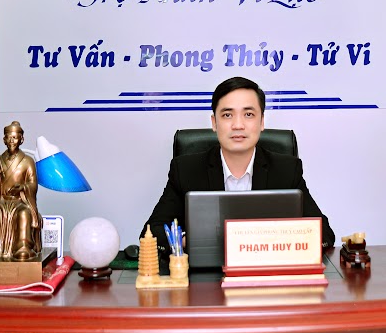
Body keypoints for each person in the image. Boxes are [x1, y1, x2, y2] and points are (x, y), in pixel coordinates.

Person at [142, 77, 335, 263]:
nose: (238, 125)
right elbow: (151, 233)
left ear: (262, 122)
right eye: (227, 115)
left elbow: (324, 234)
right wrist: (190, 242)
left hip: (268, 275)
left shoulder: (286, 170)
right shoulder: (186, 170)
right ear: (214, 123)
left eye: (248, 114)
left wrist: (273, 242)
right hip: (207, 280)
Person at [0, 121, 43, 261]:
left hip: (20, 201)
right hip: (0, 201)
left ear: (21, 140)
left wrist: (23, 187)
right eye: (9, 137)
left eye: (15, 137)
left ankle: (23, 246)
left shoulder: (28, 161)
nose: (12, 141)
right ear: (4, 140)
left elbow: (33, 184)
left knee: (24, 213)